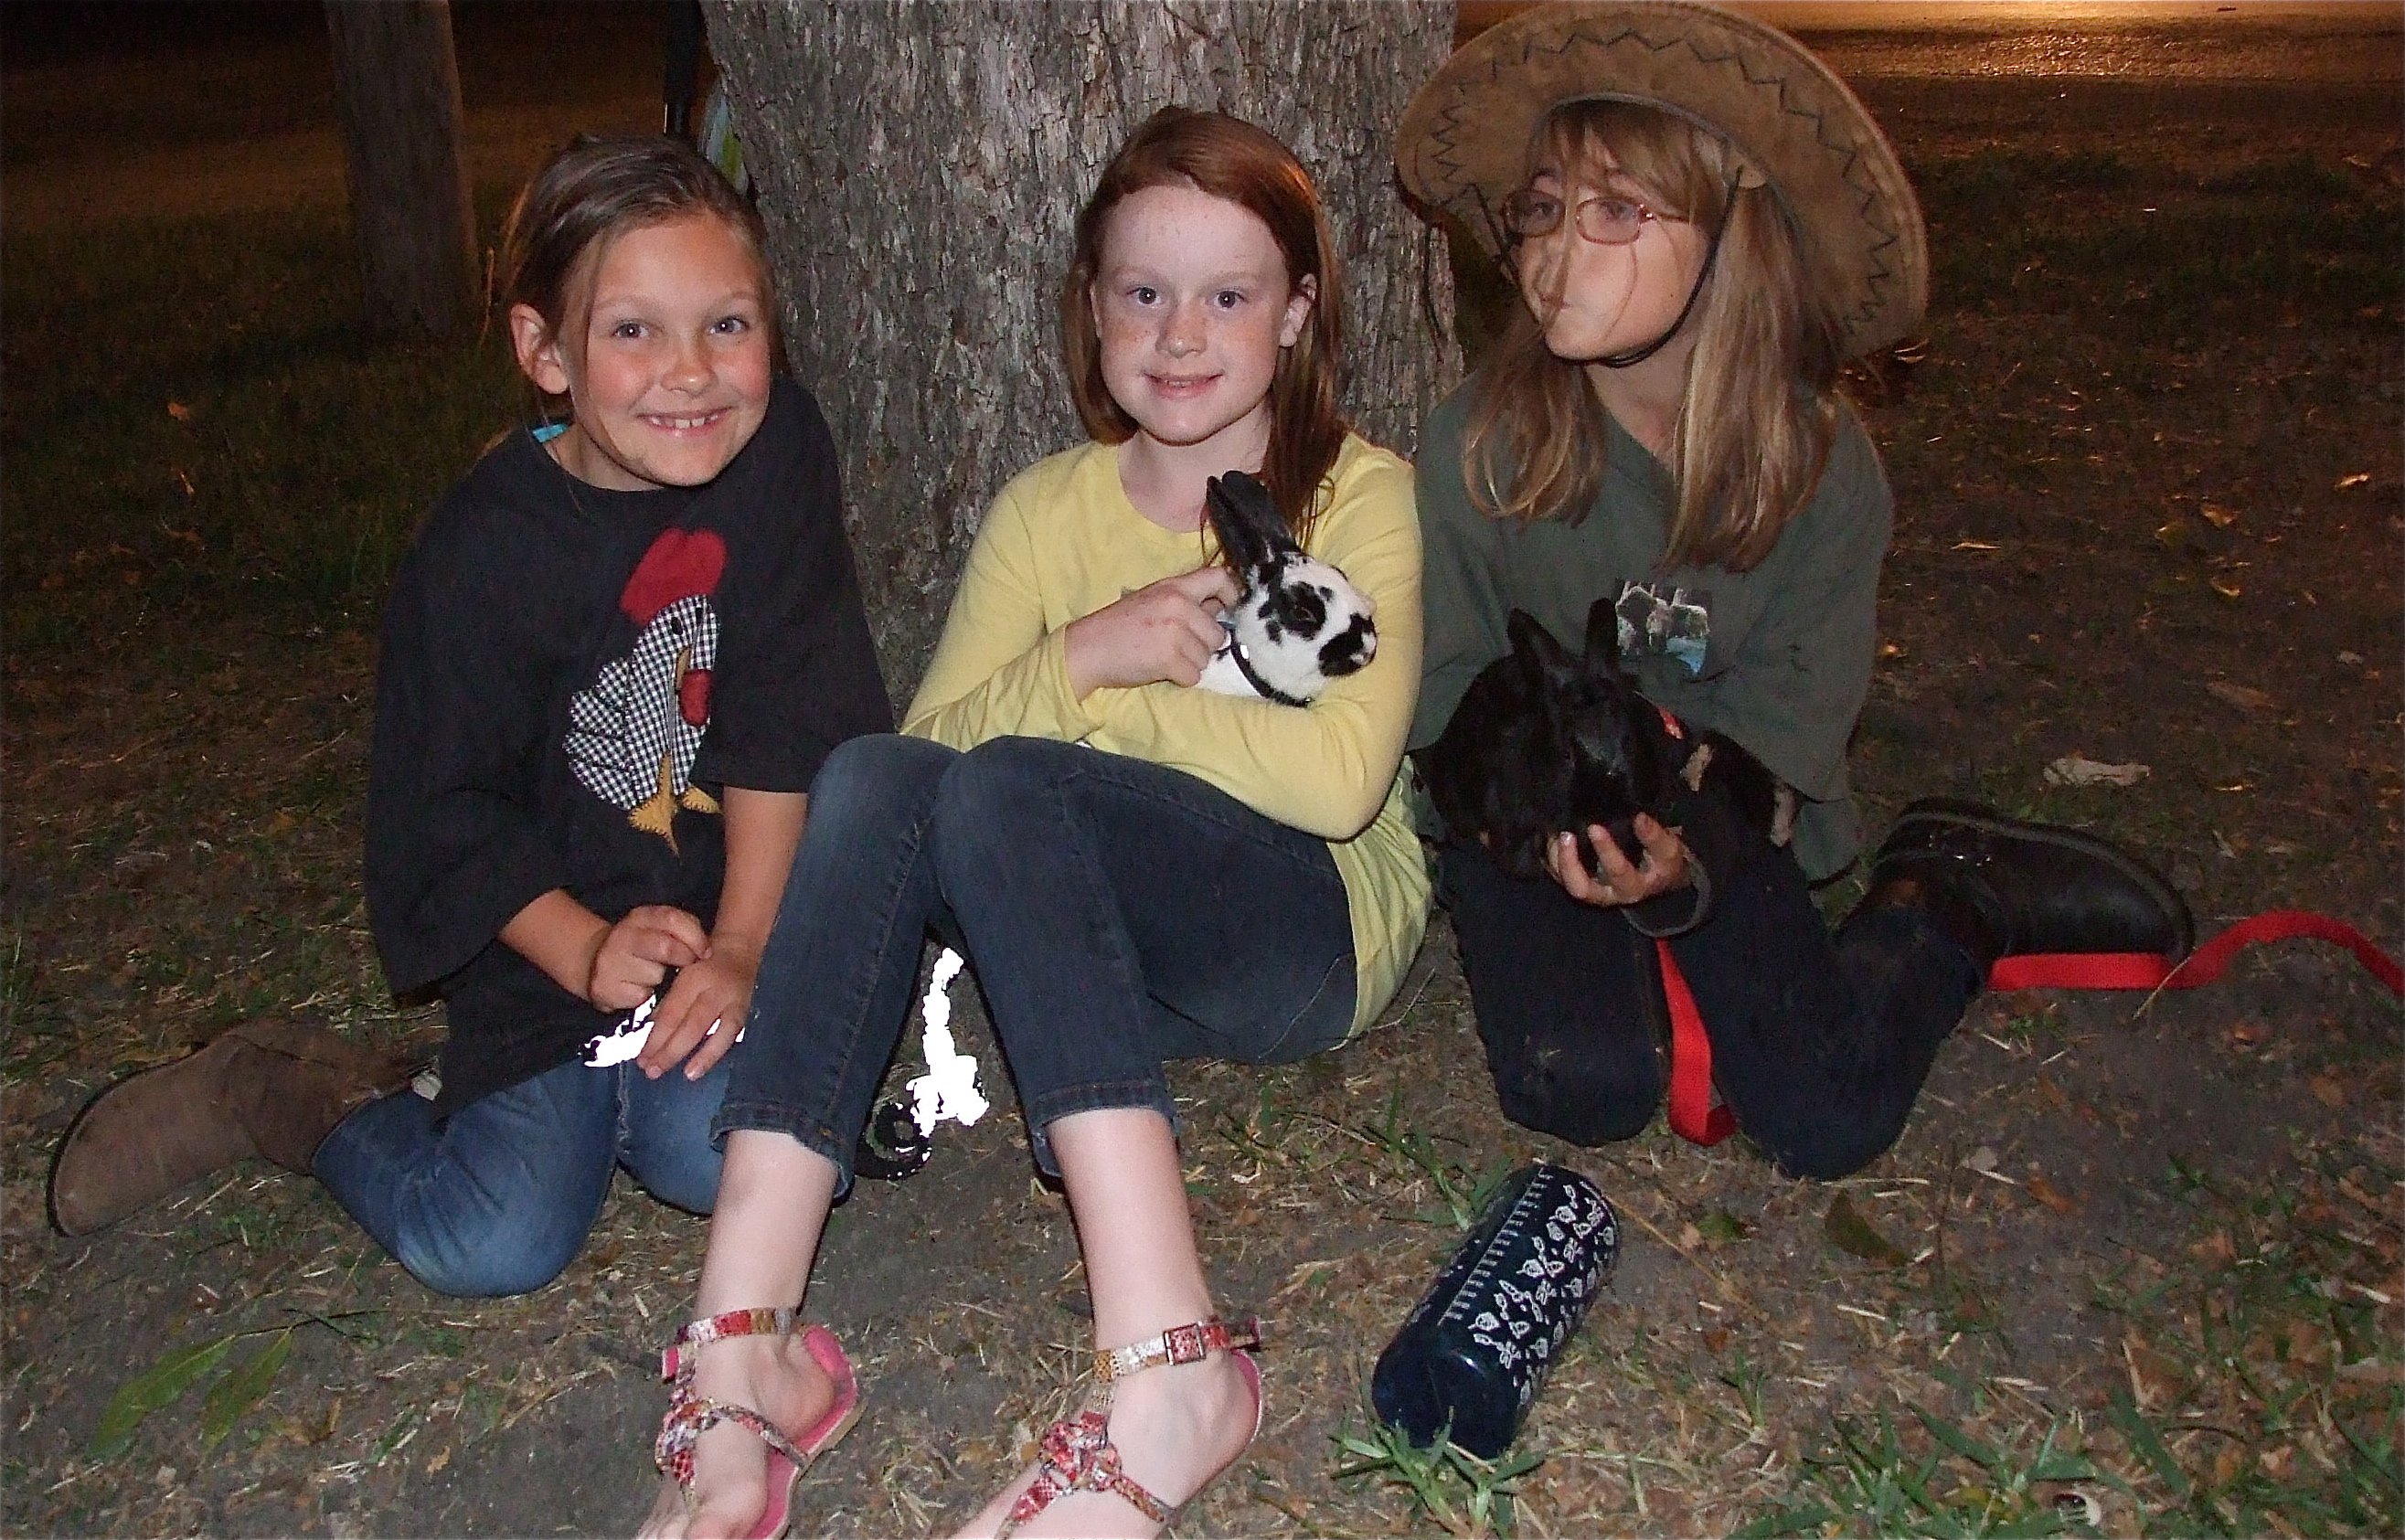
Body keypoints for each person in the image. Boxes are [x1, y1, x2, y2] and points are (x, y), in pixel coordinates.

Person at [636, 107, 1426, 1540]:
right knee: (881, 774)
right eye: (1142, 291)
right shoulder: (1043, 510)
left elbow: (1335, 785)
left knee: (1006, 778)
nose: (1178, 335)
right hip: (1096, 948)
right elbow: (910, 773)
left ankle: (1171, 1370)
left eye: (1229, 296)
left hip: (1299, 930)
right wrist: (1084, 652)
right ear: (1090, 306)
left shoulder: (1357, 496)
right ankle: (745, 1341)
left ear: (1298, 312)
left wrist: (1108, 703)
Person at [46, 134, 892, 1298]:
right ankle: (278, 1086)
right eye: (633, 330)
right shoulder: (479, 554)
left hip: (718, 923)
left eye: (727, 324)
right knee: (493, 1239)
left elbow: (790, 714)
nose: (692, 373)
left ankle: (638, 1102)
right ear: (544, 351)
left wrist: (744, 944)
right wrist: (584, 949)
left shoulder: (779, 450)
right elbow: (445, 813)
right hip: (541, 945)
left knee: (734, 1161)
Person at [1394, 3, 2192, 1180]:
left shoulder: (1819, 466)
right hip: (1536, 821)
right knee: (1585, 1083)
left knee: (1826, 1115)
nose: (1559, 250)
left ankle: (1948, 895)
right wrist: (1537, 812)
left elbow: (1791, 708)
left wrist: (1692, 850)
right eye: (1545, 208)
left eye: (1618, 211)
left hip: (1719, 800)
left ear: (1732, 234)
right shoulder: (1482, 442)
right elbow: (1446, 679)